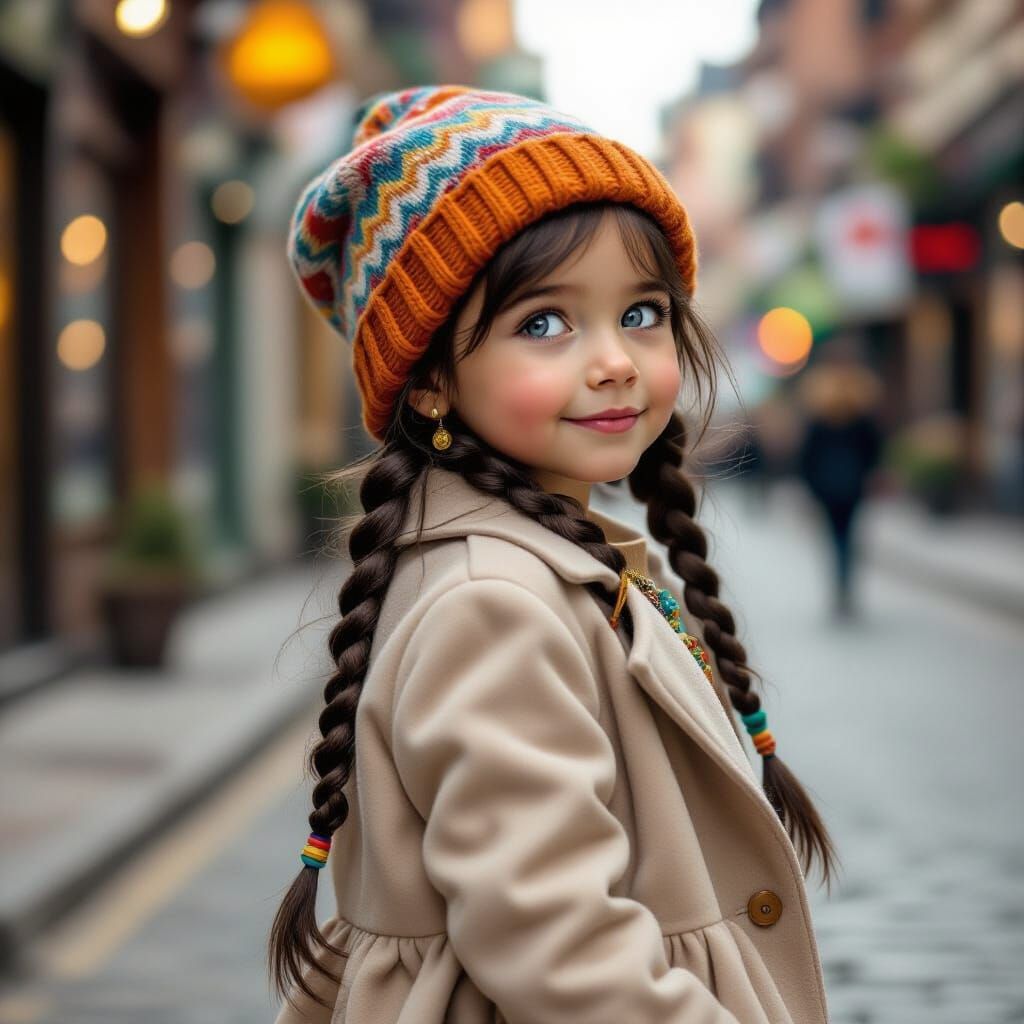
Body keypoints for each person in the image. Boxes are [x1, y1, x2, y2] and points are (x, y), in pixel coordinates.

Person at [269, 85, 837, 1024]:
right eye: (544, 323)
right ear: (434, 383)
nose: (614, 359)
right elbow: (559, 949)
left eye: (643, 313)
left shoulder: (547, 566)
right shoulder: (493, 606)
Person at [796, 344, 884, 619]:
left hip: (825, 483)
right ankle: (846, 587)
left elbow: (807, 452)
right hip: (854, 482)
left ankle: (839, 587)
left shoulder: (818, 408)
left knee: (834, 537)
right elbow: (874, 448)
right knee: (849, 535)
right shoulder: (862, 406)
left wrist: (808, 485)